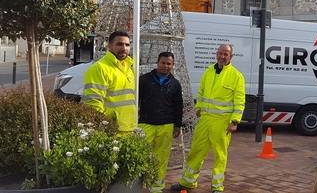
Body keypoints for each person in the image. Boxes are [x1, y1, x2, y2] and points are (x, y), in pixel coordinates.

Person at [171, 44, 245, 193]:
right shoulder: (208, 71)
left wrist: (235, 121)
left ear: (231, 57)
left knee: (220, 155)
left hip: (222, 122)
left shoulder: (236, 76)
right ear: (216, 54)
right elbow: (202, 92)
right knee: (196, 151)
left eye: (226, 54)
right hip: (205, 120)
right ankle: (187, 183)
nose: (223, 56)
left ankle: (217, 187)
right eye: (220, 53)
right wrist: (198, 108)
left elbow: (239, 100)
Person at [139, 52, 184, 193]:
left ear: (172, 65)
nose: (165, 66)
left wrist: (177, 125)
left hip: (166, 125)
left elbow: (178, 106)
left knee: (161, 159)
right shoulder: (144, 80)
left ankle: (157, 187)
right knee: (141, 156)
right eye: (163, 63)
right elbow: (136, 101)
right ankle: (139, 185)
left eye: (169, 64)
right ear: (157, 63)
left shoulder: (175, 84)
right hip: (146, 124)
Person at [82, 31, 136, 134]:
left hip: (129, 128)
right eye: (119, 44)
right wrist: (104, 125)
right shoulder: (100, 68)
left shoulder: (129, 67)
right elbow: (92, 103)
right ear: (109, 46)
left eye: (127, 45)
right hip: (111, 130)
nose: (124, 48)